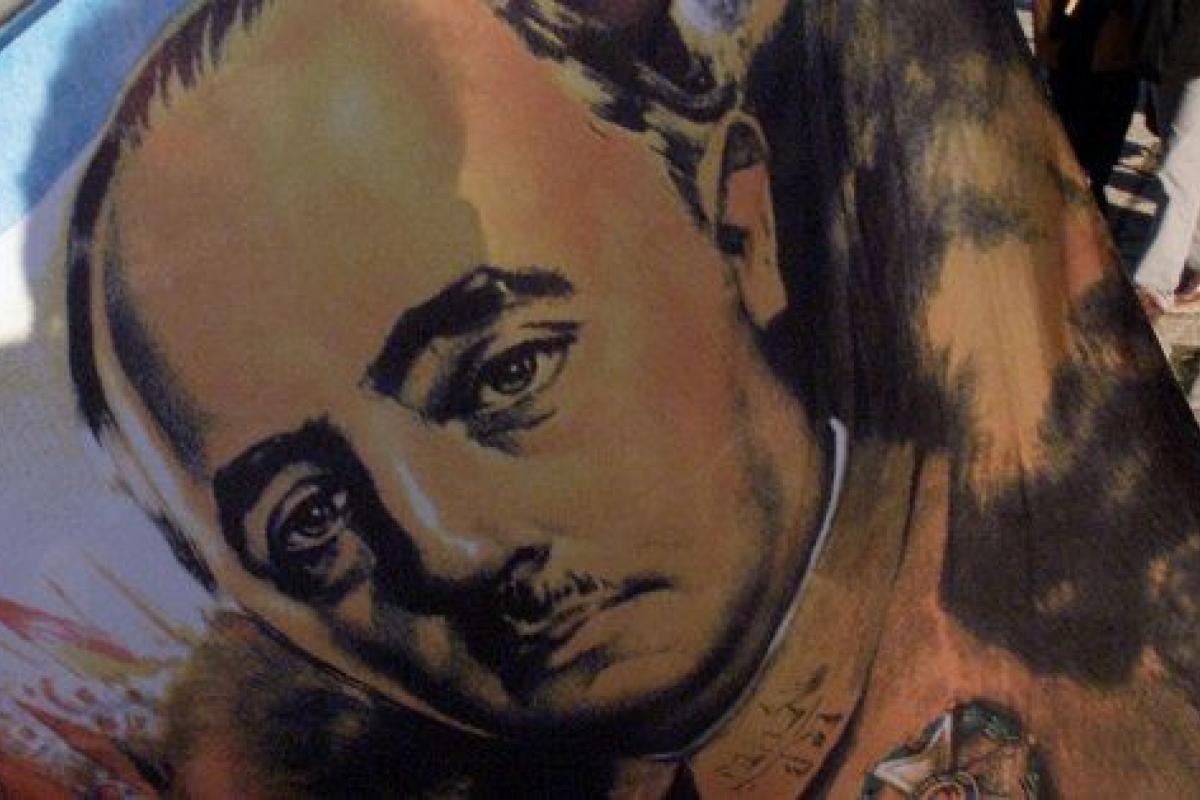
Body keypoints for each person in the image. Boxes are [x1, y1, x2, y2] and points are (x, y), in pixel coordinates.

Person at [61, 0, 1200, 795]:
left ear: (739, 225)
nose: (449, 549)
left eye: (506, 372)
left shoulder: (1100, 606)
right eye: (308, 520)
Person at [1032, 0, 1140, 216]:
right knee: (1073, 131)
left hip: (1113, 49)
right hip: (1071, 41)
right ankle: (1078, 194)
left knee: (1103, 134)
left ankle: (1089, 189)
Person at [1132, 0, 1200, 316]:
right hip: (1165, 44)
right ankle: (1195, 262)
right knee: (1186, 164)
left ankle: (1154, 287)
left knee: (1178, 170)